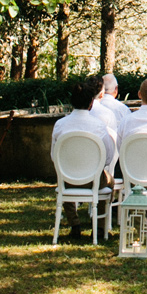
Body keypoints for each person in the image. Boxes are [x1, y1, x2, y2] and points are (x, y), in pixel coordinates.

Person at [51, 75, 117, 239]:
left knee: (61, 176)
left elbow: (54, 156)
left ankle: (75, 224)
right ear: (90, 104)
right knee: (110, 181)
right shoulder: (99, 126)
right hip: (93, 179)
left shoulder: (60, 125)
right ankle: (100, 227)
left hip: (67, 177)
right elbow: (108, 158)